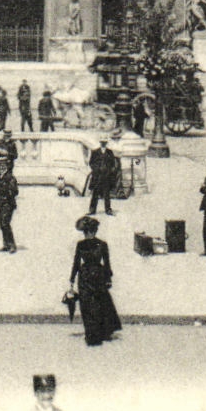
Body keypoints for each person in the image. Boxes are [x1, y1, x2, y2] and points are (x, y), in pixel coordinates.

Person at [70, 216, 120, 346]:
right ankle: (100, 333)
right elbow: (107, 264)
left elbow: (76, 263)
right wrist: (108, 278)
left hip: (85, 276)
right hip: (98, 275)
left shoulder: (81, 245)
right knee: (99, 304)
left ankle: (91, 335)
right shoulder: (102, 244)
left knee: (87, 305)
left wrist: (72, 279)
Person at [87, 139, 119, 216]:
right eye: (102, 142)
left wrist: (110, 170)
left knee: (106, 194)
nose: (103, 143)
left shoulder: (109, 152)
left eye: (105, 142)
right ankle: (92, 210)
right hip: (97, 176)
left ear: (106, 143)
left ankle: (108, 209)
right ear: (100, 142)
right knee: (95, 193)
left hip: (106, 176)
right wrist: (96, 169)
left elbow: (113, 163)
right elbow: (91, 163)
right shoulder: (95, 152)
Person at [0, 159, 19, 253]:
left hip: (8, 204)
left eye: (3, 166)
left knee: (5, 224)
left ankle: (12, 245)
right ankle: (6, 244)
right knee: (2, 224)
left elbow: (15, 191)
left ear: (7, 167)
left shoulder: (10, 178)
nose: (1, 167)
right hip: (0, 204)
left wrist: (7, 194)